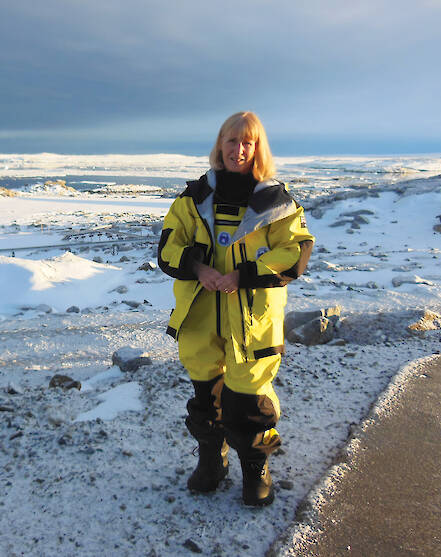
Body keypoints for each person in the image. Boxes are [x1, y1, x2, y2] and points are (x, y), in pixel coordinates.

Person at [157, 111, 314, 506]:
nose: (238, 149)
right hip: (201, 316)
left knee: (249, 400)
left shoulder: (276, 202)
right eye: (232, 140)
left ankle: (254, 469)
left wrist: (245, 274)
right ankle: (212, 460)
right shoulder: (193, 199)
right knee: (205, 399)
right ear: (219, 145)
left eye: (248, 142)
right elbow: (168, 246)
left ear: (258, 148)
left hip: (251, 321)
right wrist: (197, 267)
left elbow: (295, 251)